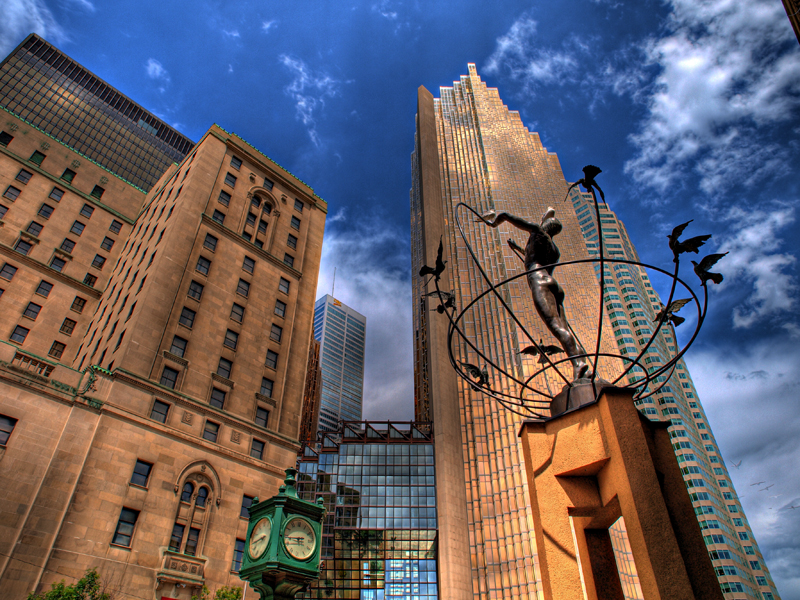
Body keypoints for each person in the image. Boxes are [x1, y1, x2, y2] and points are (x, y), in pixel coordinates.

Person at [481, 206, 592, 381]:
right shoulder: (555, 251)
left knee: (556, 327)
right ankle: (584, 367)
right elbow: (532, 257)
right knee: (564, 328)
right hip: (553, 284)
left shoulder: (537, 230)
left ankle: (579, 365)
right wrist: (516, 248)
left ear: (545, 225)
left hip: (539, 282)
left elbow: (506, 215)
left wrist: (494, 223)